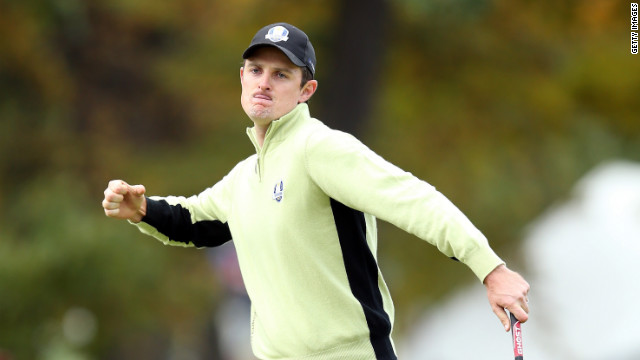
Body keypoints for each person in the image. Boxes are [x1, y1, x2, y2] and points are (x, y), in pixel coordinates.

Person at [102, 22, 530, 359]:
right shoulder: (244, 177)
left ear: (306, 91)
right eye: (256, 70)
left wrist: (490, 268)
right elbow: (195, 221)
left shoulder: (321, 149)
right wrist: (143, 210)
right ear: (242, 78)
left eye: (281, 74)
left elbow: (414, 199)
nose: (264, 83)